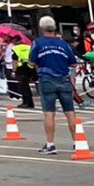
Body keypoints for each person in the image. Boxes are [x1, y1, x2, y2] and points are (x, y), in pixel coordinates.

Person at [30, 16, 82, 154]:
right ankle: (77, 142)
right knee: (70, 112)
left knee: (49, 113)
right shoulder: (64, 44)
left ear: (42, 28)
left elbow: (32, 61)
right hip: (63, 79)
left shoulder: (37, 43)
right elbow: (73, 62)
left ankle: (50, 144)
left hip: (46, 78)